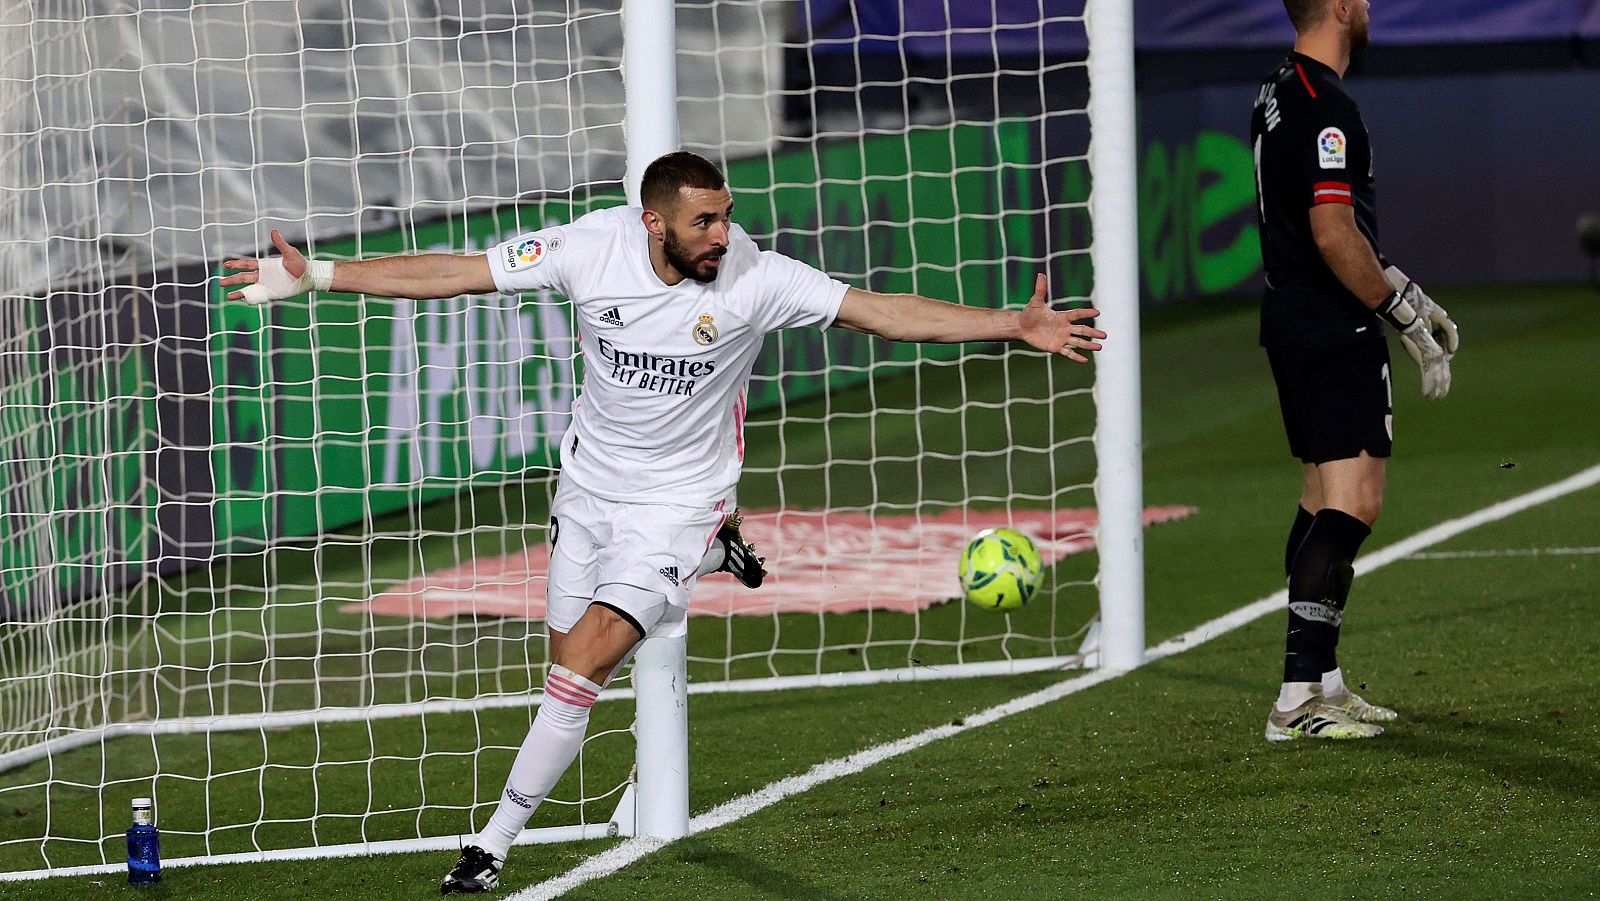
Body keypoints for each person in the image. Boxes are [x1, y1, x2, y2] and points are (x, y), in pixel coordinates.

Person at [220, 150, 1106, 890]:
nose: (722, 235)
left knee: (586, 661)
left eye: (726, 217)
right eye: (704, 224)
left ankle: (489, 846)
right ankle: (714, 562)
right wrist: (322, 276)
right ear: (655, 223)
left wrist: (1007, 325)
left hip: (682, 500)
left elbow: (880, 312)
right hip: (589, 490)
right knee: (561, 660)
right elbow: (459, 272)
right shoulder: (588, 247)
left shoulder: (758, 276)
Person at [1251, 0, 1460, 741]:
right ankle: (1296, 696)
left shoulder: (1277, 90)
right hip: (1330, 325)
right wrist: (1401, 313)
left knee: (1320, 499)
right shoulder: (1325, 105)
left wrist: (1401, 286)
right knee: (1355, 502)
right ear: (1339, 5)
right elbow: (1333, 231)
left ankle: (1324, 682)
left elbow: (1318, 230)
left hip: (1292, 317)